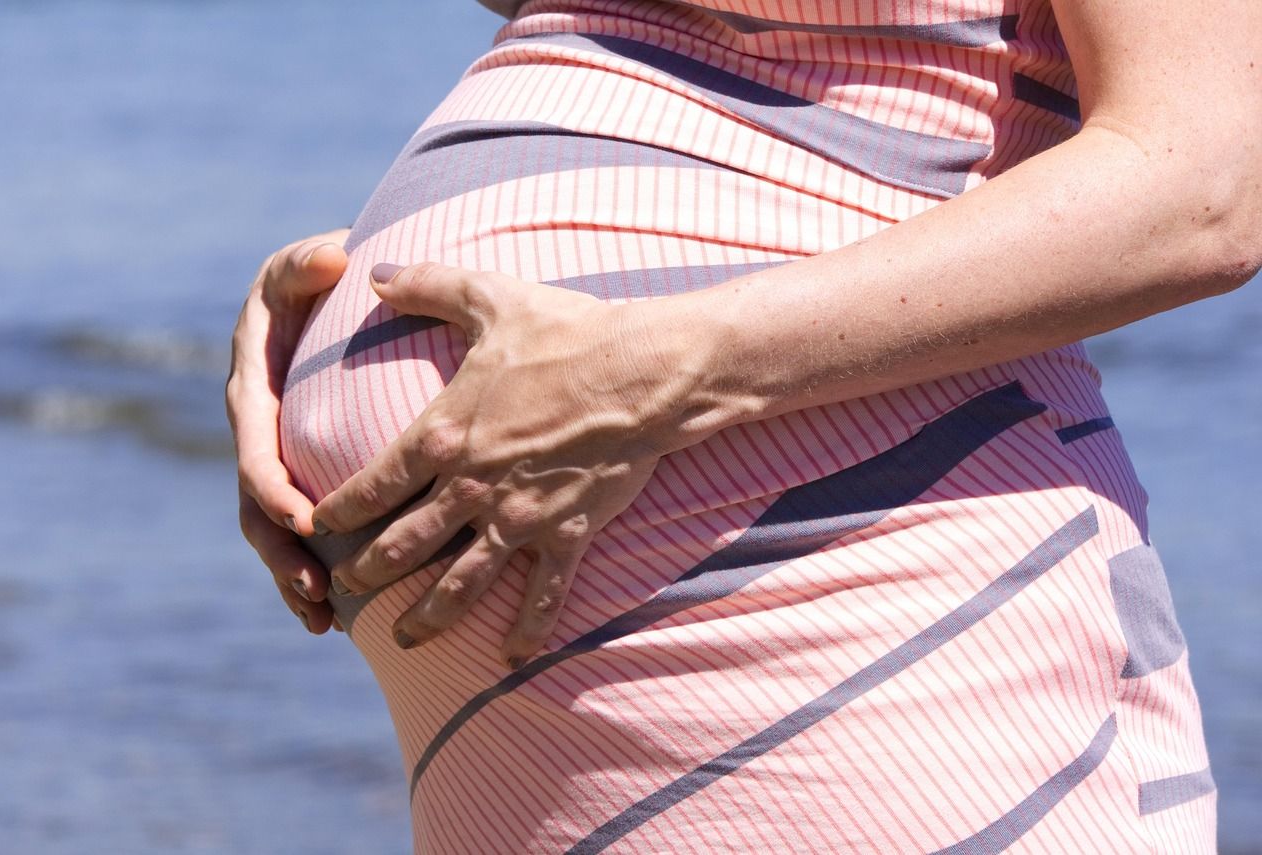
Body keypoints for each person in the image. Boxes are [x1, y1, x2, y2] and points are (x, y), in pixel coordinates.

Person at [227, 0, 1260, 851]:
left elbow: (1203, 188)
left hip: (880, 630)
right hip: (528, 747)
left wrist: (654, 370)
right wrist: (359, 293)